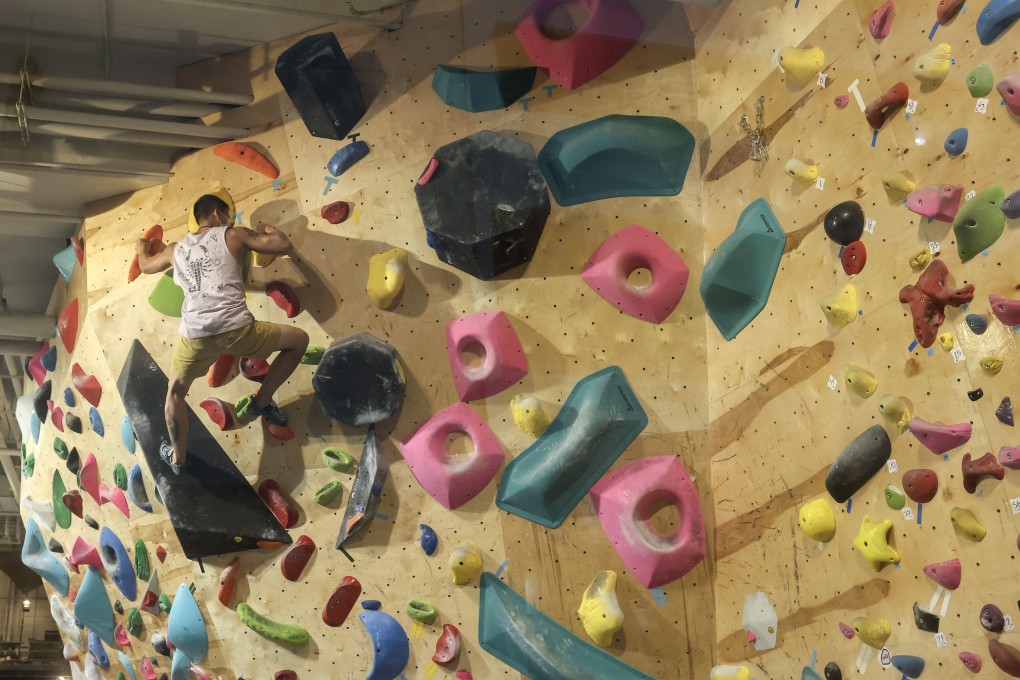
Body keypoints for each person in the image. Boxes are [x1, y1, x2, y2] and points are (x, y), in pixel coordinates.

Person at [136, 193, 309, 472]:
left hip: (195, 335)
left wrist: (141, 248)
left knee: (175, 393)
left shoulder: (175, 250)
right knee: (300, 341)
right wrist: (267, 228)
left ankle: (177, 458)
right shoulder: (233, 234)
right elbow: (281, 244)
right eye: (228, 214)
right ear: (218, 214)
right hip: (236, 329)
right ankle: (262, 402)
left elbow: (145, 266)